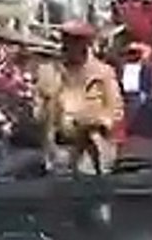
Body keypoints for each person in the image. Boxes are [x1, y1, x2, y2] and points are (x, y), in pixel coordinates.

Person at [35, 20, 124, 175]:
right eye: (66, 39)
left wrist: (91, 120)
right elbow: (38, 109)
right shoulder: (49, 71)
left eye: (75, 40)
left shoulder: (103, 73)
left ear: (86, 43)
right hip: (58, 146)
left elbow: (115, 111)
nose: (69, 45)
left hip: (91, 147)